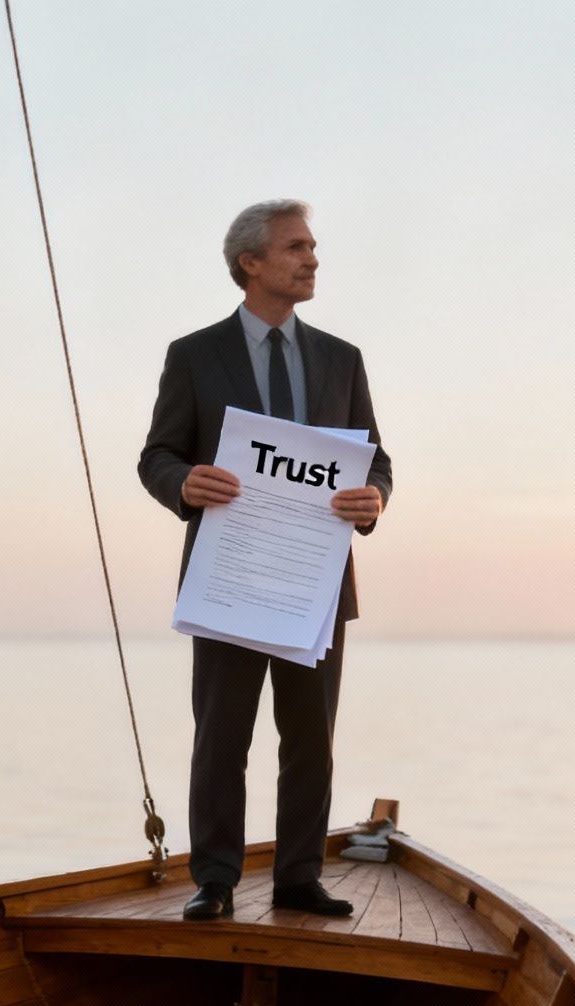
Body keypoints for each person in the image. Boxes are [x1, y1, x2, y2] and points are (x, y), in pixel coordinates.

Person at [138, 199, 394, 922]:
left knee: (311, 741)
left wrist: (373, 499)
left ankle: (298, 879)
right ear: (250, 262)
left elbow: (377, 461)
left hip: (317, 586)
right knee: (222, 737)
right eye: (296, 247)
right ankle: (214, 880)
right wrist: (180, 483)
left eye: (313, 248)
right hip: (229, 577)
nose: (312, 259)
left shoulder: (343, 359)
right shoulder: (193, 355)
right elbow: (157, 453)